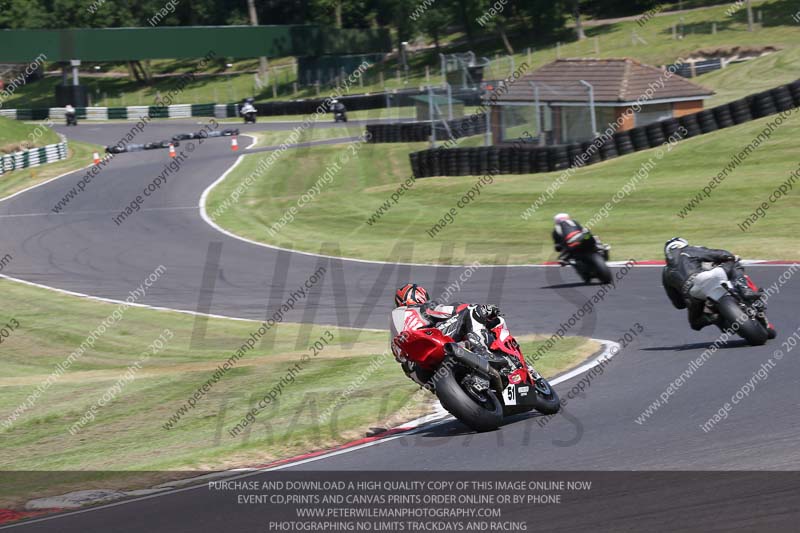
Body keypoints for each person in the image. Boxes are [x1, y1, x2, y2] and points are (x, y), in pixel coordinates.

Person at [389, 283, 501, 387]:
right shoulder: (419, 308)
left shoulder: (395, 334)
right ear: (418, 295)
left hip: (420, 373)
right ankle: (482, 352)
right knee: (471, 310)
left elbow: (400, 359)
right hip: (430, 343)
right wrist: (483, 310)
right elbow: (452, 311)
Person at [661, 237, 774, 336]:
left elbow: (679, 304)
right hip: (705, 277)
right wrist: (728, 256)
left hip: (692, 294)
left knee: (695, 323)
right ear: (683, 244)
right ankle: (745, 290)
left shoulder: (666, 272)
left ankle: (715, 318)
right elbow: (720, 254)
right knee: (734, 261)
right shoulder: (688, 250)